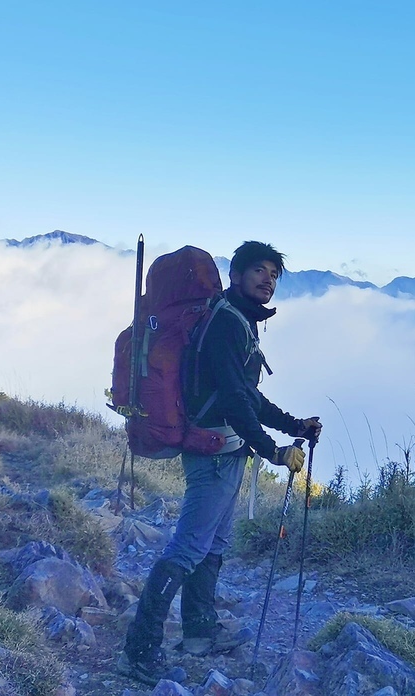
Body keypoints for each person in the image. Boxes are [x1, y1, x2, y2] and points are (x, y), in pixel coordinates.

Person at [118, 240, 322, 686]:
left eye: (273, 274)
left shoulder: (234, 320)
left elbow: (246, 394)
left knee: (212, 546)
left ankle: (199, 632)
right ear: (236, 275)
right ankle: (138, 650)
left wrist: (295, 426)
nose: (267, 280)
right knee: (189, 548)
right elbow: (233, 399)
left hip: (224, 451)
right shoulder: (228, 324)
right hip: (213, 454)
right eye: (259, 272)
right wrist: (273, 450)